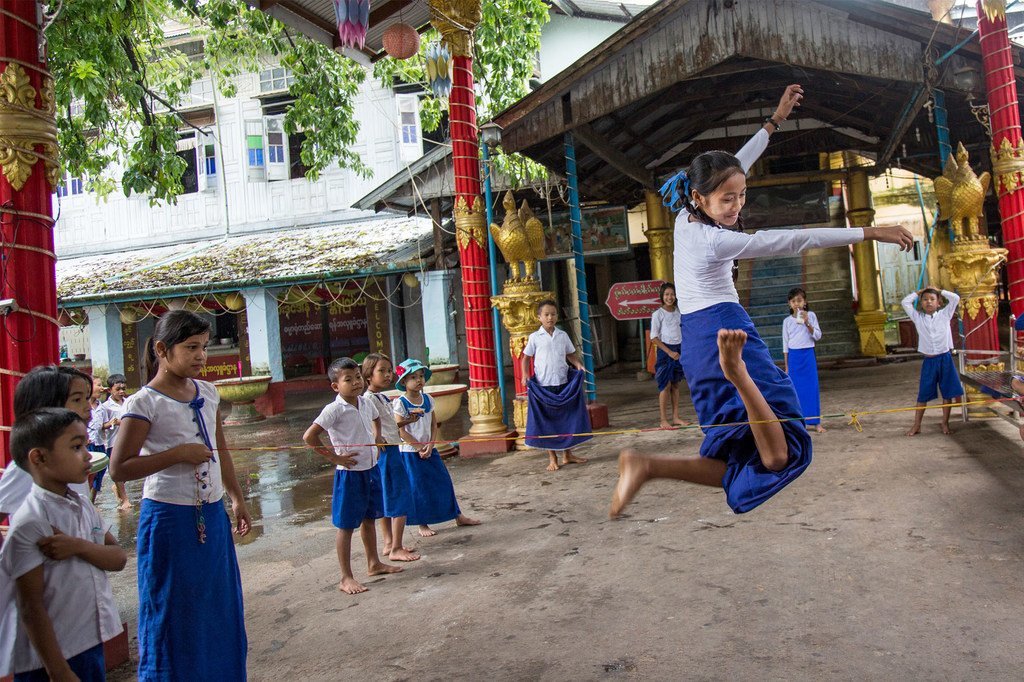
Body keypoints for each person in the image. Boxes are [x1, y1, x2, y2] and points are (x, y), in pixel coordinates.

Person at [609, 84, 914, 517]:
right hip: (724, 331)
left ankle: (647, 466)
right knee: (777, 455)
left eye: (742, 195)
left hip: (699, 342)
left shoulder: (684, 213)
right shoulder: (713, 240)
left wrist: (774, 121)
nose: (736, 206)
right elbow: (792, 239)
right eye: (727, 199)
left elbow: (739, 164)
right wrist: (868, 231)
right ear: (701, 198)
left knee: (739, 456)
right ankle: (737, 376)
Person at [109, 310, 251, 680]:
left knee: (217, 605)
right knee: (173, 608)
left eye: (203, 347)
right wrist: (177, 455)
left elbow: (220, 450)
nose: (201, 356)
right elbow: (119, 467)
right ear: (162, 349)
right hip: (169, 519)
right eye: (191, 348)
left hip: (212, 515)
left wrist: (235, 497)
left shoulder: (207, 392)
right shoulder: (143, 403)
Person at [0, 407, 126, 681]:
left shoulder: (82, 504)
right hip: (51, 657)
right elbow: (30, 606)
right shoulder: (31, 522)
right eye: (76, 447)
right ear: (39, 457)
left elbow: (118, 558)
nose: (87, 455)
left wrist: (78, 546)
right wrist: (58, 670)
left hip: (87, 641)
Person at [304, 357, 402, 594]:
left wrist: (377, 438)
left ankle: (373, 563)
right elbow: (309, 437)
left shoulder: (365, 402)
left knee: (369, 518)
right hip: (349, 474)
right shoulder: (334, 410)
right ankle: (346, 577)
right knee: (346, 525)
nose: (356, 382)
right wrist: (334, 458)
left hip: (370, 468)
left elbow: (377, 419)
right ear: (336, 386)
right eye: (348, 379)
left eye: (358, 377)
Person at [392, 359, 480, 536]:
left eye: (421, 376)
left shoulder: (427, 399)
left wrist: (431, 444)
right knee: (417, 486)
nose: (419, 380)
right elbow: (400, 430)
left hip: (430, 449)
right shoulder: (400, 403)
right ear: (403, 382)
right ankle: (422, 524)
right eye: (414, 377)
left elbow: (433, 424)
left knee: (443, 481)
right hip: (410, 453)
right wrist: (418, 447)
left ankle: (457, 515)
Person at [0, 366, 94, 517]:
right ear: (47, 408)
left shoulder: (76, 462)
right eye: (77, 399)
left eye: (87, 399)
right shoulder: (30, 466)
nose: (88, 407)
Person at [361, 353, 420, 563]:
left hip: (390, 448)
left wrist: (406, 421)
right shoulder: (368, 400)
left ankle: (389, 542)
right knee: (399, 496)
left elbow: (387, 426)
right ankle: (396, 547)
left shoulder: (382, 397)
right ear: (368, 375)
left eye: (389, 370)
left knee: (387, 497)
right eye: (381, 371)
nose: (388, 375)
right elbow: (372, 429)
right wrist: (378, 439)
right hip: (387, 452)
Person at [521, 300, 591, 472]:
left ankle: (568, 454)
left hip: (563, 384)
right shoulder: (534, 338)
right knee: (548, 423)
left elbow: (570, 354)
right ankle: (552, 457)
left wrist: (578, 365)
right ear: (539, 317)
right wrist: (525, 374)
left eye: (553, 314)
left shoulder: (562, 335)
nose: (550, 317)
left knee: (566, 420)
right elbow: (526, 358)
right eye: (546, 315)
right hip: (544, 386)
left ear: (557, 316)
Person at [902, 287, 963, 436]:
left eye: (932, 299)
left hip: (945, 359)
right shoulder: (917, 317)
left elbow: (955, 298)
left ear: (939, 303)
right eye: (925, 299)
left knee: (947, 394)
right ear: (921, 303)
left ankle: (945, 423)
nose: (928, 302)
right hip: (929, 361)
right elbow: (905, 302)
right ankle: (917, 425)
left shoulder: (945, 314)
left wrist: (939, 290)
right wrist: (918, 292)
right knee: (923, 395)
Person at [782, 287, 825, 433]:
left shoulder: (811, 316)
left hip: (808, 355)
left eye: (799, 300)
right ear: (789, 304)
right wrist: (787, 365)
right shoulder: (787, 321)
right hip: (794, 357)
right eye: (793, 301)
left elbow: (817, 336)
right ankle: (800, 423)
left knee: (812, 389)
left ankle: (816, 422)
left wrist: (807, 323)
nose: (797, 304)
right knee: (796, 390)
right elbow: (785, 345)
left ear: (805, 302)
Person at [650, 282, 689, 429]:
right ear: (662, 296)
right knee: (664, 386)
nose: (669, 297)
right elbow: (654, 337)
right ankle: (663, 420)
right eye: (666, 294)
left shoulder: (679, 312)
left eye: (672, 294)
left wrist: (680, 351)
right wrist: (669, 352)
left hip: (679, 350)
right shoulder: (658, 314)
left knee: (676, 385)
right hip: (665, 351)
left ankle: (676, 417)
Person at [99, 375, 131, 510]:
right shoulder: (106, 407)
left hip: (130, 441)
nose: (121, 392)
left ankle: (118, 486)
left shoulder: (129, 402)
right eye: (118, 389)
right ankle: (125, 499)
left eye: (123, 388)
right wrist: (114, 423)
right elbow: (102, 425)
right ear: (110, 390)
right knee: (117, 471)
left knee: (129, 469)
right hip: (114, 442)